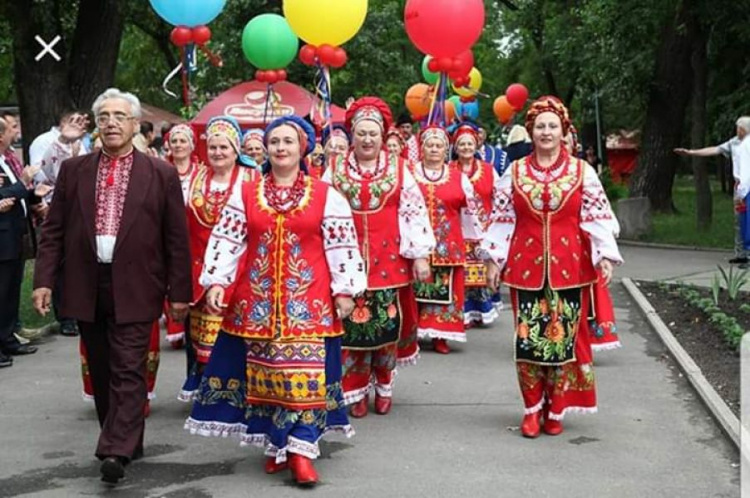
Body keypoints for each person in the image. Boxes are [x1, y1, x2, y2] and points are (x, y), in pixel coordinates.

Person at [185, 115, 366, 487]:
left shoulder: (325, 194)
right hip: (258, 304)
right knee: (266, 377)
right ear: (266, 149)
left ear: (303, 148)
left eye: (288, 141)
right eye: (274, 142)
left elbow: (342, 245)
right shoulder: (248, 193)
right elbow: (228, 238)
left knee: (305, 376)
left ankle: (301, 451)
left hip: (309, 304)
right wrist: (217, 281)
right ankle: (275, 441)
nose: (281, 148)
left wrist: (345, 289)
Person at [32, 88, 192, 484]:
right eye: (104, 117)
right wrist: (43, 282)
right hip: (87, 282)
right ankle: (125, 436)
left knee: (128, 368)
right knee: (102, 368)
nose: (111, 123)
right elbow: (53, 232)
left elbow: (176, 239)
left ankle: (115, 449)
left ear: (135, 124)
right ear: (97, 126)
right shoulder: (76, 171)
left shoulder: (160, 174)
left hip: (138, 283)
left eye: (120, 117)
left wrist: (180, 293)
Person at [482, 96, 622, 438]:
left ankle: (556, 406)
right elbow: (502, 218)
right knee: (529, 342)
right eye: (540, 126)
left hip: (571, 268)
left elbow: (597, 216)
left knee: (563, 343)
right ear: (531, 132)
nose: (546, 132)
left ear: (564, 132)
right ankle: (532, 408)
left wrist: (604, 252)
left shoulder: (581, 171)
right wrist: (492, 259)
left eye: (552, 126)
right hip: (524, 268)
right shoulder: (514, 172)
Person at [323, 97, 435, 417]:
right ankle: (355, 389)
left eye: (373, 133)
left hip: (389, 261)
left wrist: (420, 255)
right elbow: (322, 214)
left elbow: (413, 211)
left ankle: (384, 383)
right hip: (348, 260)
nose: (367, 139)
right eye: (361, 133)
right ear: (352, 135)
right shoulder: (334, 170)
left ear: (383, 135)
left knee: (386, 326)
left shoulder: (399, 169)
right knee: (352, 330)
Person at [179, 116, 254, 402]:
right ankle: (210, 395)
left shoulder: (252, 179)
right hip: (201, 269)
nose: (218, 153)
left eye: (224, 147)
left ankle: (243, 394)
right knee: (203, 339)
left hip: (242, 271)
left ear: (236, 150)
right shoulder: (194, 179)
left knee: (239, 336)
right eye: (213, 147)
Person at [411, 126, 482, 354]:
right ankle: (412, 335)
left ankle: (441, 335)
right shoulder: (410, 174)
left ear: (446, 150)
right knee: (414, 291)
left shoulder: (459, 178)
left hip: (448, 244)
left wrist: (477, 238)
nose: (434, 149)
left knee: (447, 291)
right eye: (430, 145)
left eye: (439, 145)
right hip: (416, 245)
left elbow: (472, 211)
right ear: (422, 149)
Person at [0, 117, 47, 367]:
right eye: (11, 130)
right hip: (2, 237)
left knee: (10, 292)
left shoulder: (5, 161)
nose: (15, 133)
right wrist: (24, 182)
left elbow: (12, 194)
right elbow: (3, 194)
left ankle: (7, 339)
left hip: (14, 235)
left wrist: (31, 194)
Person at [675, 116, 750, 268]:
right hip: (739, 186)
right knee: (740, 220)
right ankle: (741, 254)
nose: (737, 131)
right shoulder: (734, 142)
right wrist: (692, 152)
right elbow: (715, 149)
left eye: (739, 128)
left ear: (744, 129)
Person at [449, 123, 499, 328]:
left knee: (480, 269)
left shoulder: (488, 170)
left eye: (470, 143)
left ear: (476, 145)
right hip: (457, 228)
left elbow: (499, 196)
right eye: (462, 144)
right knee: (462, 271)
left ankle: (481, 310)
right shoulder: (449, 170)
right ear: (455, 147)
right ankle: (463, 312)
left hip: (482, 227)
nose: (466, 148)